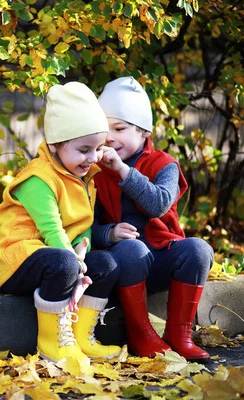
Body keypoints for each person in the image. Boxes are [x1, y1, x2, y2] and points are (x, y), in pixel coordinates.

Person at [0, 81, 122, 363]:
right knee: (64, 263)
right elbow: (52, 230)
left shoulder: (84, 175)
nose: (92, 158)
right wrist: (75, 262)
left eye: (98, 148)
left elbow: (83, 224)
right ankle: (52, 344)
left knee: (106, 264)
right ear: (55, 144)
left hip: (56, 257)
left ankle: (80, 338)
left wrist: (82, 254)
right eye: (84, 149)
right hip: (17, 259)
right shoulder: (38, 178)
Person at [93, 76, 214, 362]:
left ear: (144, 131)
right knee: (132, 249)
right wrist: (108, 234)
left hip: (160, 258)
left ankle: (179, 334)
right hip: (122, 264)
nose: (110, 137)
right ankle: (140, 334)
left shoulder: (164, 165)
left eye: (119, 128)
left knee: (198, 249)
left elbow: (158, 204)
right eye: (104, 129)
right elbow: (85, 225)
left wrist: (123, 171)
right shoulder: (94, 170)